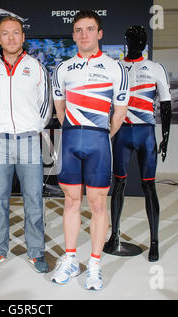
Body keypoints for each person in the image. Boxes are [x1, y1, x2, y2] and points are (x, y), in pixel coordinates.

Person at [51, 10, 129, 290]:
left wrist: (100, 136)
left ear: (100, 33)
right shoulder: (61, 68)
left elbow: (120, 112)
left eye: (89, 29)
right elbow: (60, 107)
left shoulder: (115, 67)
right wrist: (75, 130)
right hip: (71, 140)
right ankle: (70, 259)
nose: (84, 34)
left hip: (99, 143)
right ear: (73, 35)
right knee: (71, 203)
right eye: (79, 30)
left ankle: (94, 265)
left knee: (97, 205)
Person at [0, 16, 52, 273]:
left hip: (29, 140)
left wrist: (32, 128)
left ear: (23, 37)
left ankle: (36, 252)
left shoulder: (37, 68)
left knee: (33, 198)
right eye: (5, 34)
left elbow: (46, 105)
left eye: (15, 33)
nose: (10, 38)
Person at [103, 25, 171, 262]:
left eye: (140, 38)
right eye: (133, 38)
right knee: (118, 185)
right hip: (122, 132)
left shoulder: (155, 68)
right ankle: (114, 235)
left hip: (145, 133)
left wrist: (166, 137)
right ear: (126, 40)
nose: (137, 42)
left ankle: (154, 242)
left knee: (149, 187)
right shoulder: (116, 67)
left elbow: (166, 103)